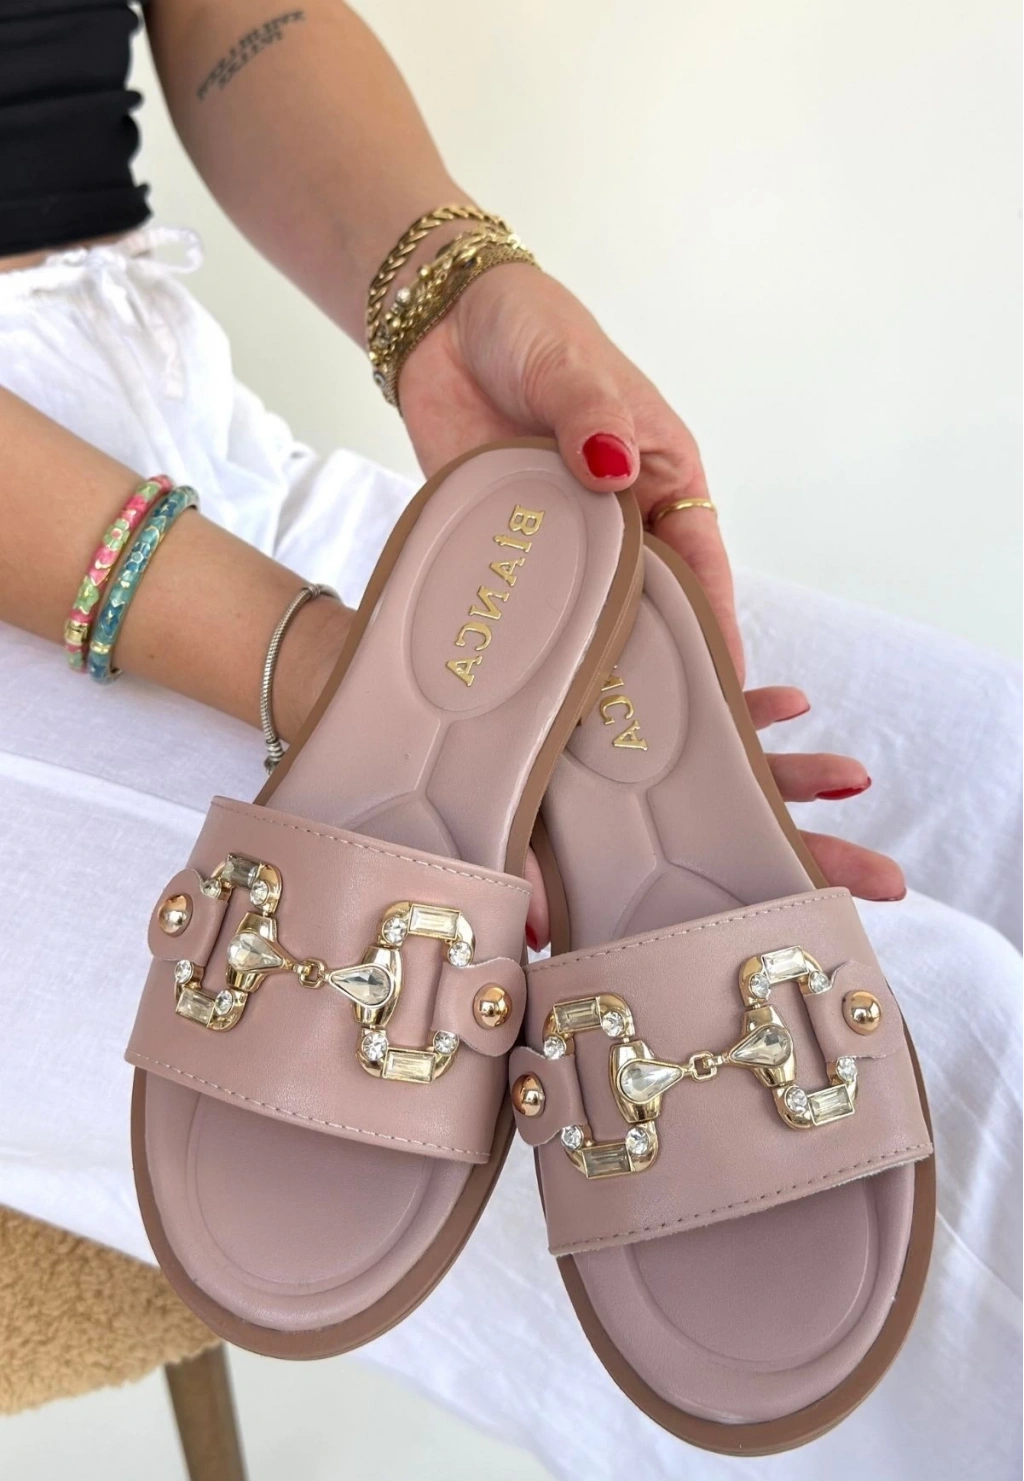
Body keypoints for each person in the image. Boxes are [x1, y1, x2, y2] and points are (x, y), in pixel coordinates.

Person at [0, 4, 1019, 1478]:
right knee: (953, 1055)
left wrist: (451, 289)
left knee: (1002, 778)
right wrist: (308, 661)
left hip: (169, 395)